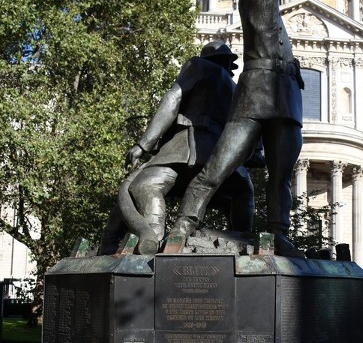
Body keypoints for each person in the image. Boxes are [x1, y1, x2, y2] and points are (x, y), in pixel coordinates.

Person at [166, 0, 324, 257]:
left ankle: (279, 234)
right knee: (220, 163)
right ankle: (183, 225)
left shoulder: (277, 15)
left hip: (286, 98)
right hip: (256, 93)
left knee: (281, 176)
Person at [99, 41, 257, 255]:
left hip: (187, 147)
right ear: (229, 64)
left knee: (142, 185)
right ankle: (242, 239)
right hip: (224, 159)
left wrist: (143, 144)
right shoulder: (238, 90)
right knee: (242, 193)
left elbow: (173, 98)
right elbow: (250, 125)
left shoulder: (198, 66)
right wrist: (252, 156)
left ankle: (151, 236)